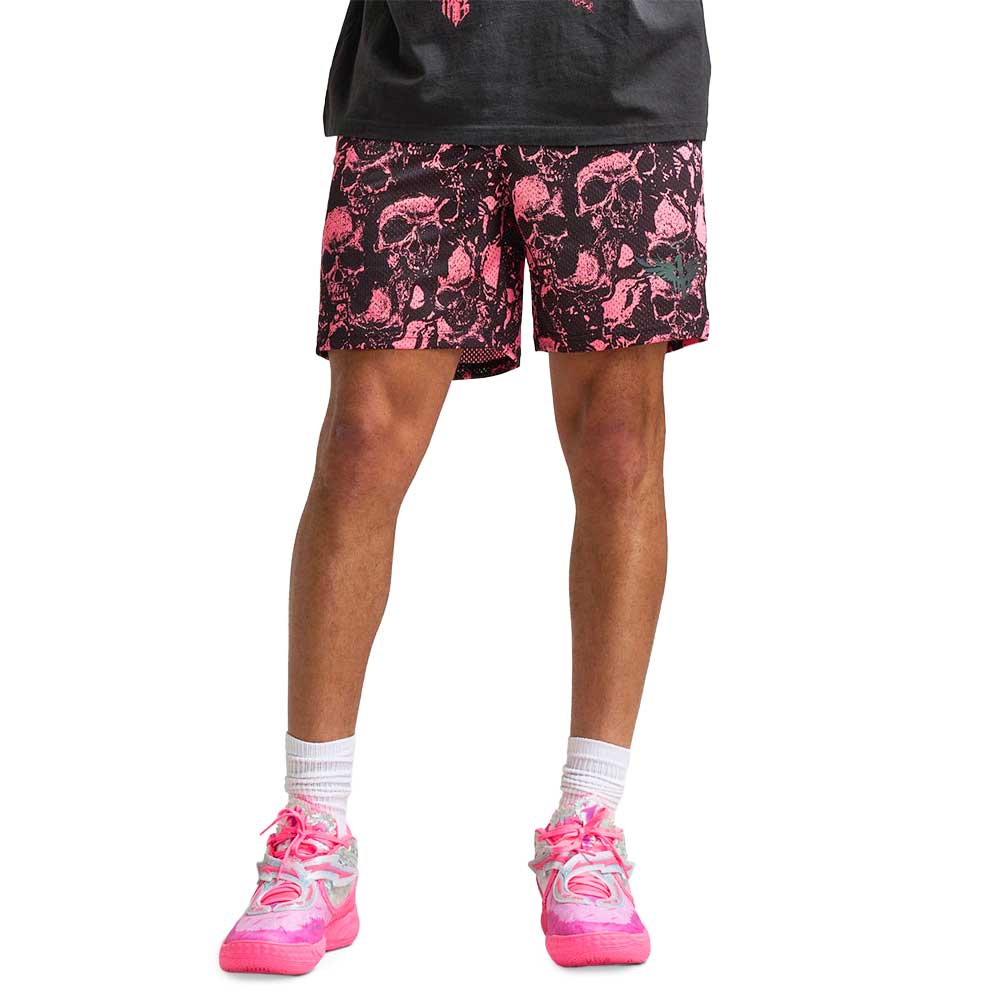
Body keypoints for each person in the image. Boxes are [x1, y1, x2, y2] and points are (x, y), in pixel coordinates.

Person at [220, 0, 710, 973]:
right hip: (420, 79)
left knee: (619, 440)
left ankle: (589, 824)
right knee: (362, 439)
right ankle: (314, 833)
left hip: (622, 80)